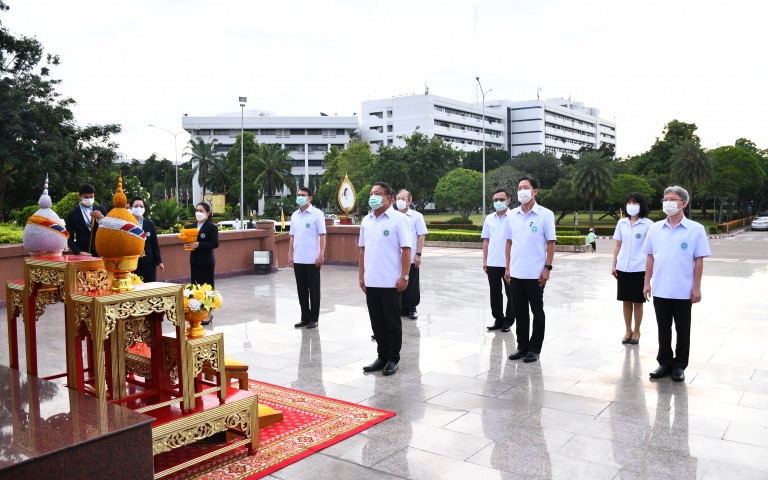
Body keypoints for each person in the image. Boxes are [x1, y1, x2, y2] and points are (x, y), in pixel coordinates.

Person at [643, 186, 710, 383]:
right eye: (665, 199)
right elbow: (650, 257)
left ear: (683, 203)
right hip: (661, 289)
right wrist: (647, 282)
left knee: (683, 328)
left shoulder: (695, 229)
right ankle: (664, 362)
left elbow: (699, 260)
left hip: (683, 289)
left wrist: (696, 287)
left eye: (672, 199)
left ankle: (680, 365)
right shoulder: (655, 228)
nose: (668, 202)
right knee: (663, 327)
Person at [359, 182, 412, 376]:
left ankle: (392, 358)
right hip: (371, 281)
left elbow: (406, 249)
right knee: (377, 322)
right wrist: (361, 275)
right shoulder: (366, 220)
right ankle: (381, 356)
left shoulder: (399, 220)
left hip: (391, 281)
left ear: (388, 198)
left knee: (392, 322)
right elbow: (362, 250)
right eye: (371, 193)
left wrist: (404, 276)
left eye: (378, 193)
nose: (373, 196)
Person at [504, 177, 556, 363]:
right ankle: (522, 346)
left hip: (535, 273)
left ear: (535, 191)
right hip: (516, 272)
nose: (521, 191)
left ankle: (535, 348)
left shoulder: (545, 214)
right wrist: (508, 267)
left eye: (526, 188)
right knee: (520, 311)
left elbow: (551, 243)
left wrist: (547, 268)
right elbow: (509, 242)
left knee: (537, 311)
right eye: (519, 188)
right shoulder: (512, 215)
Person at [611, 193, 651, 345]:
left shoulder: (648, 224)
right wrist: (614, 264)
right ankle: (627, 329)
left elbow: (650, 250)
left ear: (641, 205)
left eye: (635, 202)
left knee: (637, 301)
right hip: (623, 267)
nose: (631, 205)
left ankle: (637, 330)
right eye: (629, 202)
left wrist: (649, 272)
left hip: (639, 268)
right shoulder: (622, 223)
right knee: (625, 300)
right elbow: (617, 245)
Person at [289, 187, 327, 329]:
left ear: (310, 198)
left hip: (312, 259)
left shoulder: (317, 214)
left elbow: (322, 235)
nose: (300, 197)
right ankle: (304, 317)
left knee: (314, 290)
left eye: (303, 195)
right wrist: (289, 254)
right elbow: (292, 236)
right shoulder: (294, 215)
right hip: (298, 259)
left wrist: (321, 254)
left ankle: (314, 318)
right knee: (301, 290)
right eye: (298, 194)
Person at [482, 188, 514, 332]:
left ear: (508, 201)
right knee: (495, 292)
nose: (498, 202)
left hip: (510, 263)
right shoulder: (489, 218)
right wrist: (484, 260)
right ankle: (498, 319)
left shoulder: (514, 217)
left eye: (501, 200)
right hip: (493, 261)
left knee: (511, 293)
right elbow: (486, 241)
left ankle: (509, 320)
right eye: (495, 200)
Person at [396, 189, 428, 320]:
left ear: (410, 201)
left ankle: (412, 308)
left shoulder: (417, 216)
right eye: (398, 198)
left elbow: (421, 236)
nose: (400, 201)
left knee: (412, 283)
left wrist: (418, 254)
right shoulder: (393, 215)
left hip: (411, 256)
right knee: (398, 282)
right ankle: (400, 307)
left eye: (403, 199)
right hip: (396, 257)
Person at [186, 202, 219, 325]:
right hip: (195, 261)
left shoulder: (211, 227)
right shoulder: (193, 226)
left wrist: (199, 244)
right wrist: (188, 244)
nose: (198, 213)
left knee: (207, 289)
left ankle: (208, 314)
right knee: (195, 288)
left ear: (208, 213)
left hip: (207, 262)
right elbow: (189, 240)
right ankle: (197, 312)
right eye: (197, 210)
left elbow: (215, 243)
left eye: (201, 210)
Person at [66, 184, 107, 256]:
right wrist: (78, 252)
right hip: (82, 252)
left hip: (101, 252)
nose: (89, 199)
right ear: (79, 196)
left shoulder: (101, 210)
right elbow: (69, 237)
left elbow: (110, 230)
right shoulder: (72, 214)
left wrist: (101, 218)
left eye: (91, 197)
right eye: (86, 197)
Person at [129, 197, 164, 282]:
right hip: (133, 262)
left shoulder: (150, 224)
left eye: (141, 206)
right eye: (136, 206)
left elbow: (154, 244)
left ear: (144, 208)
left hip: (149, 261)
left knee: (150, 286)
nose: (138, 208)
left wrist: (159, 261)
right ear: (131, 208)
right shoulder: (128, 224)